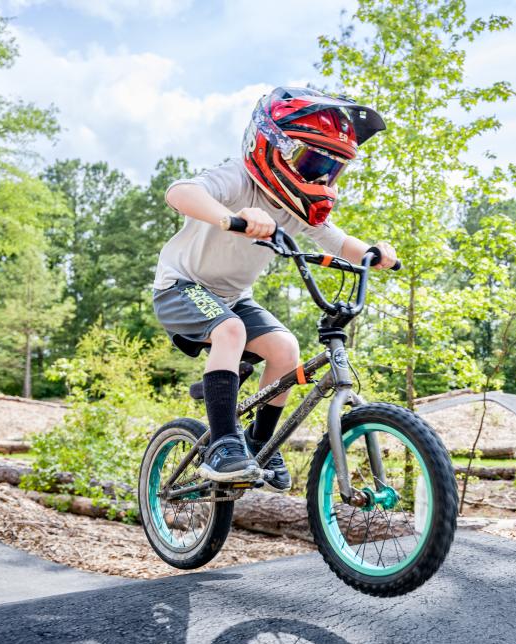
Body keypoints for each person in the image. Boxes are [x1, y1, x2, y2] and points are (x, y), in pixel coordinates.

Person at [153, 87, 398, 491]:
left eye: (331, 169)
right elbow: (180, 193)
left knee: (286, 350)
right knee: (230, 330)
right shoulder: (239, 178)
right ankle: (224, 444)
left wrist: (373, 252)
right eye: (313, 160)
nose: (320, 176)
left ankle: (259, 441)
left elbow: (337, 241)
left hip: (234, 299)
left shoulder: (294, 207)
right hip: (181, 286)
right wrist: (232, 217)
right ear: (273, 145)